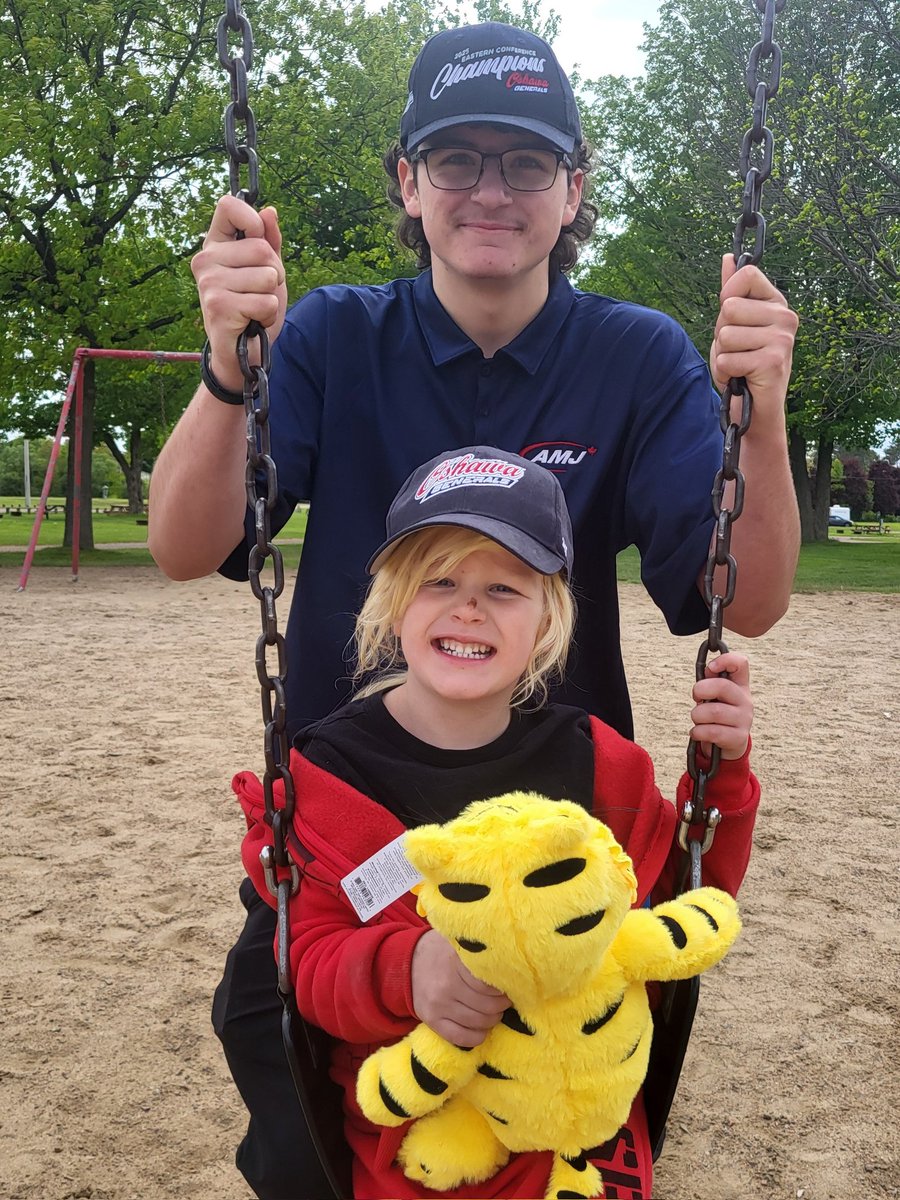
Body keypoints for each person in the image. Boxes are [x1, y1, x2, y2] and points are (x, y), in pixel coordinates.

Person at [146, 20, 798, 1198]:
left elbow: (743, 604)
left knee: (562, 1128)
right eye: (457, 159)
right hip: (348, 818)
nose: (490, 189)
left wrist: (766, 409)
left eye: (527, 162)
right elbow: (187, 546)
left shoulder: (637, 357)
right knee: (296, 1090)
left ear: (573, 189)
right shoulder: (336, 337)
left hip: (559, 819)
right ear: (409, 180)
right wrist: (228, 366)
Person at [233, 445, 759, 1200]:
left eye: (505, 588)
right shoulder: (327, 777)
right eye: (437, 580)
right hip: (418, 1149)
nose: (468, 608)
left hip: (576, 1143)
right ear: (392, 602)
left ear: (550, 614)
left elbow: (686, 890)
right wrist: (409, 971)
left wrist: (726, 770)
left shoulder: (599, 764)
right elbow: (305, 962)